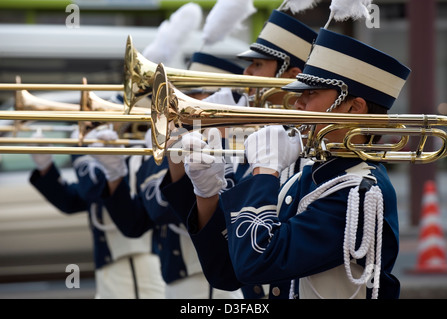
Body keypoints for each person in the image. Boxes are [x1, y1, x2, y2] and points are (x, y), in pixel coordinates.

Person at [176, 27, 411, 299]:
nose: (297, 103)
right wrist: (206, 196)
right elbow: (227, 273)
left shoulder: (359, 193)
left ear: (354, 107)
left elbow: (257, 261)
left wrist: (265, 170)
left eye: (311, 94)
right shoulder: (305, 178)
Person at [160, 8, 318, 299]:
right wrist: (204, 192)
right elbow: (226, 268)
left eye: (257, 65)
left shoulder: (317, 159)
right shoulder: (253, 145)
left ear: (292, 76)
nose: (246, 74)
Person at [91, 53, 251, 299]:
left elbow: (186, 209)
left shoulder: (236, 144)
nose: (180, 102)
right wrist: (115, 175)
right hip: (176, 277)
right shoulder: (174, 140)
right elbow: (138, 221)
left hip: (212, 282)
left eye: (194, 94)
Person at [29, 127, 166, 299]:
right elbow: (71, 201)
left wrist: (81, 152)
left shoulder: (138, 152)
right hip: (108, 260)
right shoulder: (112, 149)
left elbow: (94, 186)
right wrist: (45, 167)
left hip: (139, 258)